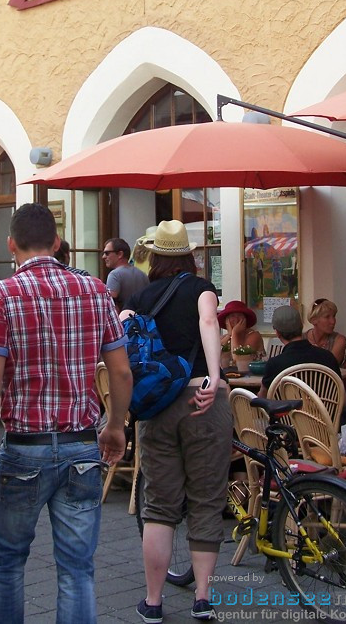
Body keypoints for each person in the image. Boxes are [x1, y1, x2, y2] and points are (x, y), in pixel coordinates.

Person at [0, 203, 131, 624]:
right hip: (80, 446)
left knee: (5, 565)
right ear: (57, 243)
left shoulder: (0, 294)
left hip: (24, 448)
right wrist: (114, 426)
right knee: (78, 571)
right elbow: (121, 371)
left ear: (11, 245)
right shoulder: (95, 290)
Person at [121, 220, 230, 623]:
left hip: (158, 405)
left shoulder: (140, 295)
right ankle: (202, 598)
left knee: (160, 505)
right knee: (206, 498)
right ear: (190, 255)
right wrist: (214, 377)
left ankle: (152, 601)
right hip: (202, 399)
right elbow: (207, 322)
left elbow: (122, 339)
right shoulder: (202, 288)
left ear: (155, 256)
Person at [258, 305, 339, 398]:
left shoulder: (274, 364)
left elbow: (262, 399)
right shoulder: (328, 357)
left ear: (277, 333)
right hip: (327, 412)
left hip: (288, 412)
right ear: (301, 327)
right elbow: (342, 399)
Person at [102, 237, 149, 311]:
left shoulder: (114, 275)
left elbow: (111, 303)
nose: (103, 257)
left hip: (123, 319)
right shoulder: (142, 275)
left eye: (107, 253)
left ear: (120, 254)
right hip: (141, 319)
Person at [304, 297, 346, 364]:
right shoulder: (301, 338)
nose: (333, 321)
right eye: (327, 317)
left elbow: (331, 366)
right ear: (314, 320)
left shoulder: (339, 340)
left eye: (334, 316)